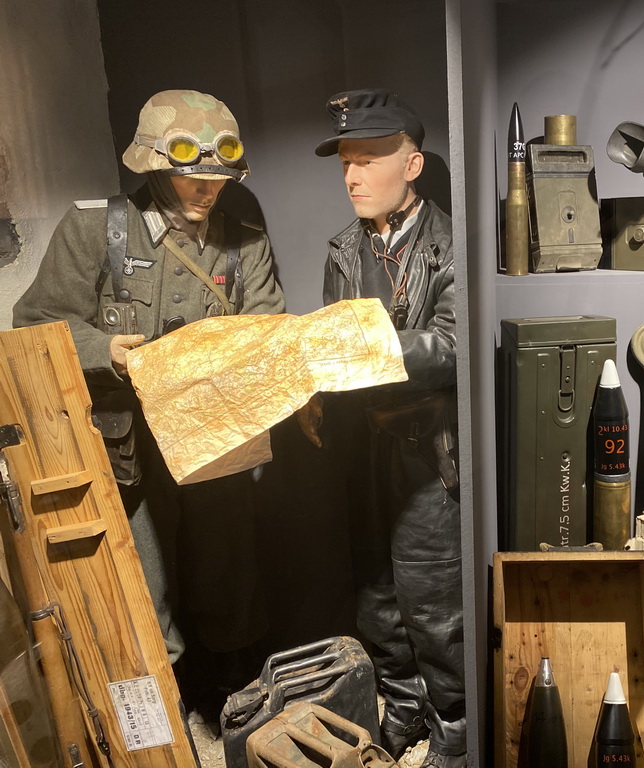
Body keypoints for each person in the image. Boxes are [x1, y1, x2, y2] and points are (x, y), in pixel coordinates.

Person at [12, 90, 285, 686]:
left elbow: (267, 327)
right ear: (155, 166)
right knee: (141, 582)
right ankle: (167, 714)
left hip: (215, 439)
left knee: (228, 572)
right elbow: (37, 320)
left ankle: (232, 702)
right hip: (127, 446)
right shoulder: (94, 228)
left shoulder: (244, 240)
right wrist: (102, 351)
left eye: (218, 179)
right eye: (192, 178)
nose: (208, 191)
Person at [302, 88, 464, 767]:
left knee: (433, 610)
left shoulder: (449, 243)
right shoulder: (345, 249)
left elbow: (453, 346)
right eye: (346, 162)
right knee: (377, 603)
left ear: (413, 165)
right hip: (361, 450)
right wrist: (311, 387)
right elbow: (329, 333)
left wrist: (369, 350)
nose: (354, 176)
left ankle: (454, 732)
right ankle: (400, 711)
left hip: (426, 458)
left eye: (370, 159)